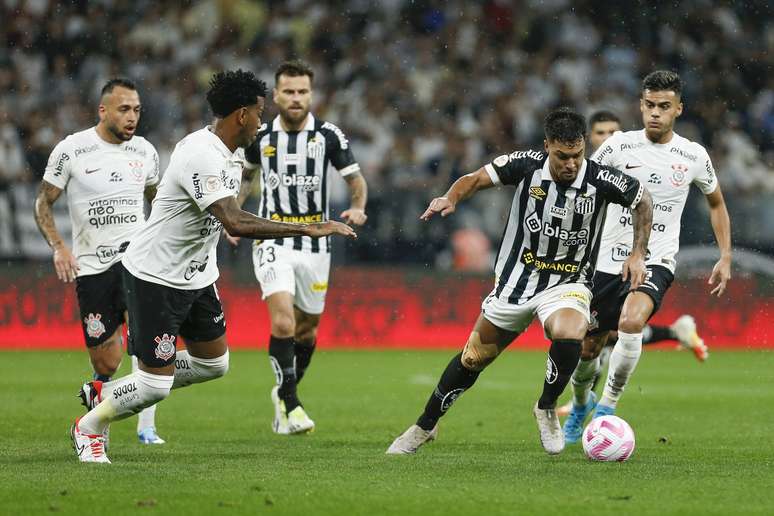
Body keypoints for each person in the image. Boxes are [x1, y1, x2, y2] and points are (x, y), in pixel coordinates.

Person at [69, 69, 356, 463]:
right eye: (259, 112)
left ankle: (113, 390)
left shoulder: (231, 152)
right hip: (156, 276)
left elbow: (230, 211)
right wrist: (306, 228)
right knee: (155, 387)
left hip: (197, 276)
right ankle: (88, 428)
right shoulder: (199, 153)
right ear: (241, 115)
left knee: (214, 363)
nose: (262, 120)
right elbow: (233, 220)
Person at [386, 108, 653, 456]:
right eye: (561, 156)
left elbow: (642, 200)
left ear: (584, 148)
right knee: (471, 360)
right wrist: (451, 197)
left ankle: (545, 406)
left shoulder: (602, 179)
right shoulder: (526, 164)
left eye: (576, 155)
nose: (570, 164)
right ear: (547, 147)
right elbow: (476, 178)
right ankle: (424, 426)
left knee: (572, 329)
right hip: (516, 282)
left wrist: (638, 253)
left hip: (567, 283)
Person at [562, 71, 732, 444]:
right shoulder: (618, 146)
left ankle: (607, 407)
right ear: (641, 106)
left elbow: (716, 203)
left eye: (664, 107)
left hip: (657, 259)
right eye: (650, 105)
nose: (655, 113)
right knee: (589, 347)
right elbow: (585, 185)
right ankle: (578, 406)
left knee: (632, 321)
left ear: (679, 109)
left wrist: (725, 255)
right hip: (605, 262)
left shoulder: (693, 155)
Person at [34, 78, 165, 445]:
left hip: (138, 263)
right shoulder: (72, 150)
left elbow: (158, 200)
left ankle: (143, 427)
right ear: (103, 110)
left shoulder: (145, 152)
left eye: (137, 110)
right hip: (93, 269)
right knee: (107, 362)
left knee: (146, 343)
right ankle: (99, 402)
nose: (132, 117)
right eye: (124, 109)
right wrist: (59, 247)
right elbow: (44, 201)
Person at [241, 60, 368, 435]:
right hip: (271, 237)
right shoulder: (261, 136)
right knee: (283, 321)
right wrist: (233, 217)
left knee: (307, 331)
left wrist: (358, 207)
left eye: (302, 92)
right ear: (276, 95)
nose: (296, 98)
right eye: (289, 92)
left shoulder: (328, 135)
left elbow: (356, 180)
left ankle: (283, 395)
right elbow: (246, 177)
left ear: (311, 95)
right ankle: (292, 404)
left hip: (316, 245)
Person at [555, 110, 708, 418]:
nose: (608, 138)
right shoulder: (592, 174)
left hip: (641, 261)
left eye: (614, 131)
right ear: (589, 141)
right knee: (592, 341)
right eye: (601, 133)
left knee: (625, 327)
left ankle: (598, 407)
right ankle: (674, 333)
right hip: (601, 264)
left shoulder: (634, 165)